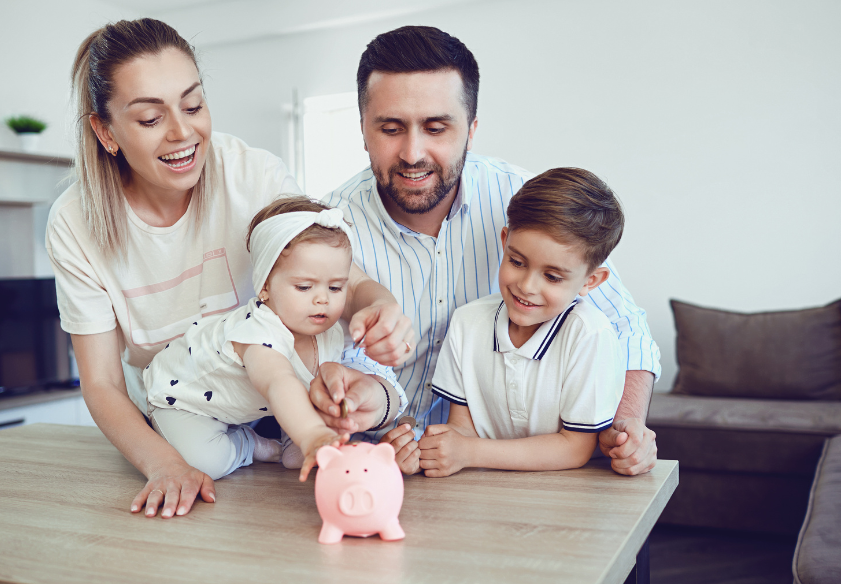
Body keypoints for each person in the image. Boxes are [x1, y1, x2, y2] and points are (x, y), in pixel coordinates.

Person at [46, 18, 413, 519]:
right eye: (151, 119)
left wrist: (379, 304)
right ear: (105, 131)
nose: (183, 132)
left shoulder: (252, 174)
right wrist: (164, 464)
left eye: (193, 105)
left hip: (273, 406)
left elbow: (335, 276)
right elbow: (102, 382)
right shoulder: (75, 223)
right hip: (180, 417)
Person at [317, 25, 660, 476]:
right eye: (391, 128)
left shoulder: (522, 200)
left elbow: (625, 326)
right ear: (363, 129)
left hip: (506, 470)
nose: (413, 153)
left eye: (436, 128)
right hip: (372, 469)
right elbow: (322, 362)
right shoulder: (327, 229)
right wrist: (378, 422)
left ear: (471, 130)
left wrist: (628, 423)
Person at [418, 168, 626, 476]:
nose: (527, 286)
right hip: (482, 494)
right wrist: (435, 448)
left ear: (591, 280)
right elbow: (461, 429)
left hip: (565, 498)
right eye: (517, 262)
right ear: (505, 241)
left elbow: (575, 447)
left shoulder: (589, 335)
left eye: (552, 276)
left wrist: (469, 452)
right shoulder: (467, 323)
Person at [145, 197, 367, 483]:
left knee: (301, 450)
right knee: (205, 463)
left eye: (336, 287)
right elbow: (279, 382)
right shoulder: (258, 331)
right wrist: (312, 433)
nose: (322, 298)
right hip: (183, 401)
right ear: (264, 287)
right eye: (304, 286)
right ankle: (249, 444)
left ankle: (290, 441)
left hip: (246, 404)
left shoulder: (331, 331)